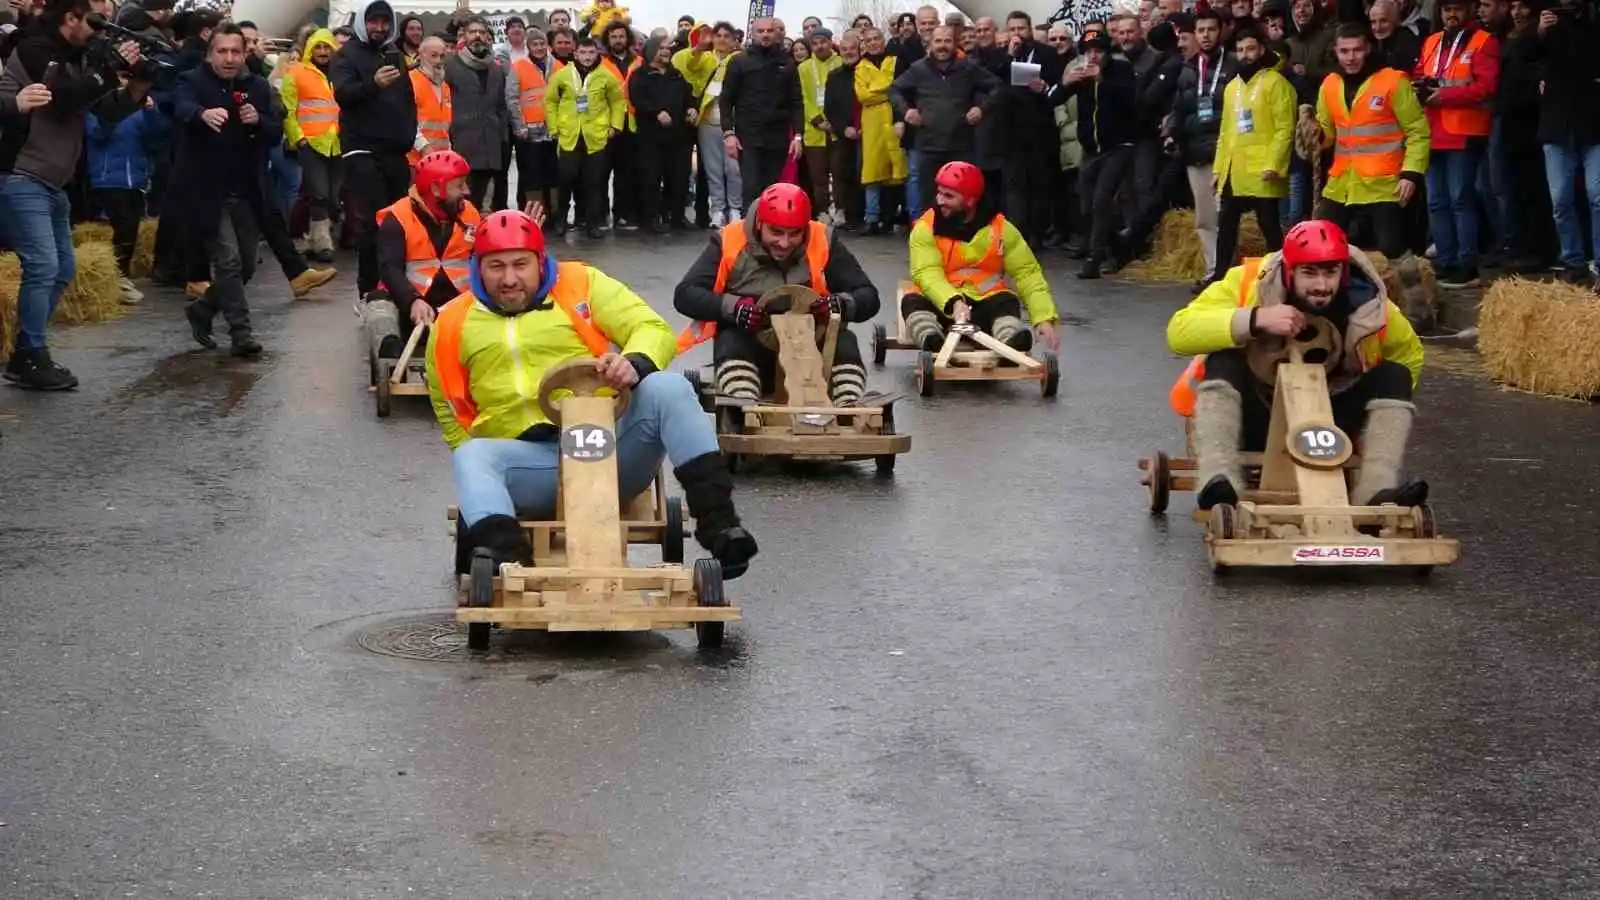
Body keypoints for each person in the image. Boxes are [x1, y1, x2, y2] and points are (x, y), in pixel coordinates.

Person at [426, 209, 758, 578]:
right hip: (529, 467)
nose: (509, 279)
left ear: (539, 261)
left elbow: (652, 328)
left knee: (671, 387)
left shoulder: (581, 283)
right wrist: (479, 480)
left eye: (520, 264)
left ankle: (721, 525)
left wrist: (634, 362)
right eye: (495, 267)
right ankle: (508, 560)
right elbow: (445, 400)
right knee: (471, 454)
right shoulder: (453, 320)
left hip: (606, 450)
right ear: (477, 267)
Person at [1166, 219, 1427, 511]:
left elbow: (1410, 354)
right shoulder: (1248, 281)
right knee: (1224, 360)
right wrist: (1255, 319)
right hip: (1255, 416)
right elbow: (1179, 331)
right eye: (1309, 273)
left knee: (1395, 374)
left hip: (1330, 422)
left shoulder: (1370, 305)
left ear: (1343, 271)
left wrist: (1375, 429)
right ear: (1289, 272)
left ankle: (1376, 490)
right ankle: (1218, 479)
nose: (1321, 285)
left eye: (1330, 272)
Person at [0, 0, 154, 390]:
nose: (101, 29)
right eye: (95, 20)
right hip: (21, 175)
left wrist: (137, 86)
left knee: (63, 269)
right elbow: (65, 98)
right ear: (71, 18)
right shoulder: (35, 48)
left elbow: (103, 112)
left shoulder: (79, 57)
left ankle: (24, 352)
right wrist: (107, 70)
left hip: (53, 182)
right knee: (43, 266)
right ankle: (31, 353)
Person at [672, 182, 879, 409]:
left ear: (805, 228)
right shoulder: (729, 240)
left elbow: (868, 296)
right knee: (730, 338)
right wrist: (736, 308)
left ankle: (848, 406)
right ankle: (744, 407)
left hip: (813, 356)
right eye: (776, 232)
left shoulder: (823, 240)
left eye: (794, 234)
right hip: (753, 350)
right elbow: (685, 294)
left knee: (845, 340)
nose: (784, 243)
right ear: (760, 223)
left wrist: (839, 304)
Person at [1308, 24, 1430, 326]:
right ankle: (1325, 308)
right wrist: (1314, 134)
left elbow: (1418, 131)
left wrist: (1411, 174)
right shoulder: (1330, 85)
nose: (1351, 57)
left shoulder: (1393, 82)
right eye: (1344, 51)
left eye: (1357, 50)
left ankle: (1420, 310)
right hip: (1342, 182)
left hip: (1383, 181)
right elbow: (1328, 134)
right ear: (1335, 51)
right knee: (1322, 243)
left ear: (1369, 48)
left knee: (1392, 246)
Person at [174, 22, 282, 357]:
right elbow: (178, 106)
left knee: (247, 264)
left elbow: (276, 131)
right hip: (207, 190)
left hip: (246, 188)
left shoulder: (258, 86)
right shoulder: (192, 81)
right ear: (210, 55)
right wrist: (201, 114)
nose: (230, 58)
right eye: (223, 51)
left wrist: (259, 121)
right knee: (229, 260)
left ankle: (204, 309)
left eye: (236, 51)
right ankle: (241, 332)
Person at [902, 162, 1061, 354]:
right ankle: (930, 338)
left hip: (984, 304)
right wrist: (954, 302)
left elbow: (1027, 274)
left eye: (948, 196)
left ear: (970, 201)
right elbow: (926, 273)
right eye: (939, 192)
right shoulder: (925, 227)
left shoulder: (1002, 229)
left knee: (1006, 302)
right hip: (941, 304)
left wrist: (1043, 318)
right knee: (913, 301)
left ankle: (1010, 342)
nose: (939, 200)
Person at [331, 0, 419, 299]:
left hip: (395, 151)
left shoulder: (393, 53)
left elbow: (406, 98)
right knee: (372, 222)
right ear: (362, 23)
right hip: (362, 150)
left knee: (396, 222)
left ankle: (394, 284)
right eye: (373, 22)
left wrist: (408, 134)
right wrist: (373, 84)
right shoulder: (346, 55)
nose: (380, 28)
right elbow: (343, 95)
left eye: (384, 22)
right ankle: (368, 289)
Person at [362, 149, 480, 364]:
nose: (467, 191)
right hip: (411, 309)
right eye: (460, 185)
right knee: (378, 302)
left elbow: (487, 260)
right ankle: (390, 354)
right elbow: (389, 269)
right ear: (436, 188)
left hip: (457, 308)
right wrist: (413, 301)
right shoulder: (397, 218)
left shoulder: (469, 213)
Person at [545, 35, 625, 237]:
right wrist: (554, 128)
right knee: (566, 180)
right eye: (583, 52)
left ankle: (593, 224)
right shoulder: (562, 75)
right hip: (569, 135)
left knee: (594, 182)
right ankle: (562, 220)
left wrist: (615, 126)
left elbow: (617, 102)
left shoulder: (606, 76)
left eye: (591, 52)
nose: (587, 57)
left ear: (597, 53)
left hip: (596, 137)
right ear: (575, 53)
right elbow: (550, 101)